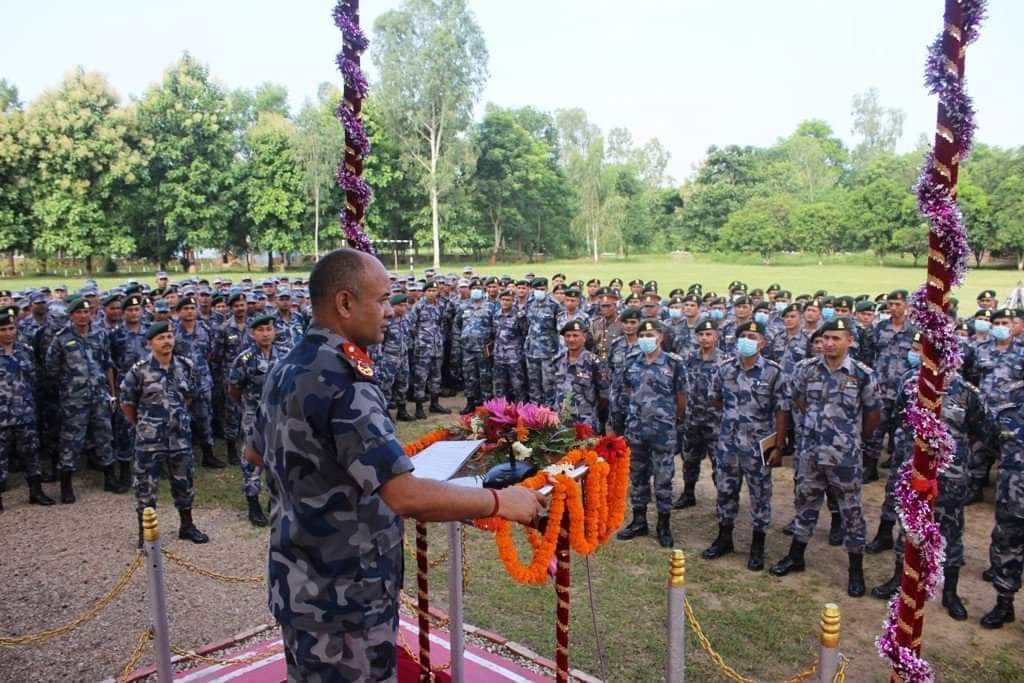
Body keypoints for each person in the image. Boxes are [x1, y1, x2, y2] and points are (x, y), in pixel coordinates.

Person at [245, 249, 546, 681]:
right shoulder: (344, 380)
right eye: (383, 299)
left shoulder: (287, 365)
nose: (390, 311)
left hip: (298, 583)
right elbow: (404, 495)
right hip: (346, 598)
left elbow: (255, 452)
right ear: (345, 302)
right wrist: (502, 501)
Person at [769, 318, 880, 597]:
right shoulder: (806, 369)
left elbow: (872, 413)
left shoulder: (862, 374)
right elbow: (798, 400)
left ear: (849, 341)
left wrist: (853, 439)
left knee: (851, 511)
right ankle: (796, 556)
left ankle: (855, 570)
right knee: (805, 503)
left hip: (845, 457)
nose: (829, 344)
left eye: (836, 338)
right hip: (811, 452)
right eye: (826, 338)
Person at [703, 320, 787, 571]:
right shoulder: (725, 369)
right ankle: (724, 538)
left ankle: (757, 546)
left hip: (759, 445)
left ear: (763, 343)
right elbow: (715, 399)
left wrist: (778, 446)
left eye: (753, 337)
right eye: (744, 336)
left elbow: (782, 410)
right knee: (725, 490)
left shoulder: (773, 372)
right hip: (728, 443)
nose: (747, 341)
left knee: (760, 494)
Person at [120, 321, 209, 547]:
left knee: (184, 482)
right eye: (160, 338)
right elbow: (127, 403)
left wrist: (177, 417)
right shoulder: (139, 370)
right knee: (146, 487)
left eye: (169, 337)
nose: (166, 342)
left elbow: (190, 395)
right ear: (150, 343)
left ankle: (187, 526)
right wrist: (144, 424)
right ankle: (146, 533)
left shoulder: (186, 366)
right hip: (149, 442)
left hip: (180, 438)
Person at [614, 320, 688, 547]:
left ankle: (663, 525)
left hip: (663, 431)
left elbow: (681, 397)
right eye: (643, 335)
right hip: (636, 430)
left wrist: (672, 420)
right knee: (637, 476)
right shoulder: (631, 361)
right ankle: (639, 520)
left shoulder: (674, 363)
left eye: (651, 334)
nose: (646, 338)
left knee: (663, 478)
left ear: (661, 337)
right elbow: (628, 390)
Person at [46, 296, 127, 503]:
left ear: (91, 314)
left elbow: (107, 365)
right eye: (79, 313)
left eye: (86, 312)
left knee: (104, 436)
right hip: (74, 400)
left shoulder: (100, 335)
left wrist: (112, 393)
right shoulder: (62, 338)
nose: (83, 316)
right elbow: (52, 369)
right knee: (71, 440)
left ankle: (110, 477)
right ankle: (66, 485)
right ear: (71, 315)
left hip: (99, 396)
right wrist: (67, 390)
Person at [0, 306, 56, 510]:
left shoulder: (25, 350)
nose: (8, 333)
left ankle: (36, 491)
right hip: (1, 417)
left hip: (25, 413)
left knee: (31, 453)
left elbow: (34, 378)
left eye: (11, 329)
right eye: (3, 330)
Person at [674, 319, 723, 509]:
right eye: (701, 334)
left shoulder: (724, 361)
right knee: (690, 458)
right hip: (692, 418)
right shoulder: (689, 359)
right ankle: (688, 494)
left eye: (708, 334)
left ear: (716, 336)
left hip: (715, 421)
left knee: (719, 461)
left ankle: (722, 499)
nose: (704, 338)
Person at [554, 320, 606, 432]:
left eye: (575, 335)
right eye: (568, 336)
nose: (571, 339)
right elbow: (552, 391)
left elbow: (604, 395)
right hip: (561, 423)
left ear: (584, 337)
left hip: (585, 423)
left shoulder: (594, 362)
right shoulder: (557, 361)